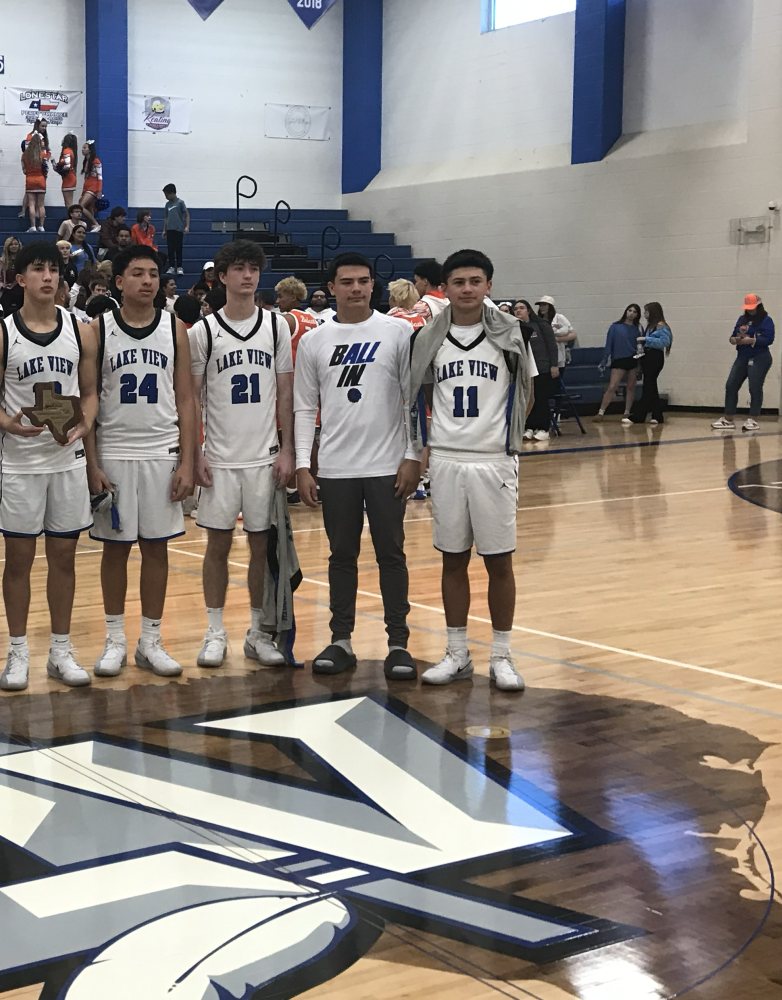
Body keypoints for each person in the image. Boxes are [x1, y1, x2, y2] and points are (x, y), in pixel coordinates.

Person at [406, 249, 534, 693]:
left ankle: (501, 655)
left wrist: (503, 439)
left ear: (489, 286)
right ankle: (457, 653)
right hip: (445, 459)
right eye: (458, 282)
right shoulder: (429, 337)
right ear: (446, 287)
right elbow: (416, 397)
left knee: (499, 561)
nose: (466, 289)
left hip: (493, 460)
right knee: (452, 558)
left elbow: (526, 395)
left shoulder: (511, 334)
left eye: (475, 281)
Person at [0, 240, 99, 690]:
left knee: (65, 558)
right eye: (38, 269)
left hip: (67, 460)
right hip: (22, 465)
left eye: (53, 269)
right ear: (20, 277)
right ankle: (16, 652)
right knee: (19, 561)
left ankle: (61, 651)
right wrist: (8, 422)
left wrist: (84, 425)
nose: (48, 277)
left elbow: (89, 392)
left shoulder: (80, 328)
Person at [294, 253, 420, 678]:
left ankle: (399, 644)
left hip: (388, 464)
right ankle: (340, 640)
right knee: (341, 556)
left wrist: (413, 455)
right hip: (336, 466)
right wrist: (302, 465)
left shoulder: (399, 332)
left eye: (364, 281)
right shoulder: (315, 340)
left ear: (373, 285)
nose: (356, 289)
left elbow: (412, 399)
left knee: (392, 555)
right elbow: (302, 407)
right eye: (346, 282)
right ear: (331, 287)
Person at [84, 244, 196, 679]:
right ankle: (115, 640)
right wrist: (91, 463)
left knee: (156, 546)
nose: (147, 281)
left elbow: (186, 398)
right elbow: (88, 401)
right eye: (137, 273)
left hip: (161, 450)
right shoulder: (98, 328)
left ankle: (150, 641)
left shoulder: (175, 328)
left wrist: (188, 460)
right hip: (114, 450)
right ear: (118, 281)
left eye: (153, 273)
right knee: (115, 549)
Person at [188, 240, 296, 669]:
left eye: (254, 268)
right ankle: (215, 631)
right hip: (218, 456)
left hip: (264, 457)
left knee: (261, 547)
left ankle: (257, 630)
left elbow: (286, 393)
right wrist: (194, 452)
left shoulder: (276, 327)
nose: (247, 275)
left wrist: (287, 449)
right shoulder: (203, 332)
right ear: (223, 276)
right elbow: (192, 400)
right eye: (239, 268)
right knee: (217, 546)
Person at [713, 294, 774, 431]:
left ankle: (753, 419)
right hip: (742, 356)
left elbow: (769, 339)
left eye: (752, 308)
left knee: (754, 387)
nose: (750, 310)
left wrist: (752, 340)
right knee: (731, 384)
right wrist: (734, 339)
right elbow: (734, 334)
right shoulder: (742, 320)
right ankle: (728, 419)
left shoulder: (766, 320)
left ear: (758, 306)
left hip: (759, 357)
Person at [513, 299, 559, 441]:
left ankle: (544, 428)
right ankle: (530, 427)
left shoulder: (540, 325)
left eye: (521, 308)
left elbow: (551, 345)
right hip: (525, 370)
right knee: (527, 399)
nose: (518, 311)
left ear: (528, 310)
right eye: (516, 309)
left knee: (541, 398)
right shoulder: (514, 328)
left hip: (543, 367)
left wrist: (554, 365)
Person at [628, 301, 672, 425]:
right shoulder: (649, 326)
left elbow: (665, 342)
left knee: (649, 386)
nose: (645, 314)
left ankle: (640, 415)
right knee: (650, 387)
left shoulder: (660, 325)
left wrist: (646, 339)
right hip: (647, 356)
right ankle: (657, 415)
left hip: (655, 357)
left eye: (646, 311)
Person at [599, 304, 642, 421]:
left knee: (631, 387)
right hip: (619, 359)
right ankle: (601, 411)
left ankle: (627, 411)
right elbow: (609, 344)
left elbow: (641, 346)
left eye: (634, 312)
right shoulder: (615, 327)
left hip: (633, 359)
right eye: (630, 310)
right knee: (612, 386)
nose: (631, 313)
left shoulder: (638, 328)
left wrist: (640, 365)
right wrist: (604, 359)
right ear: (626, 311)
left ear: (638, 315)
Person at [535, 295, 575, 368]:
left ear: (550, 306)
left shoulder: (559, 318)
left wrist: (555, 339)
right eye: (540, 305)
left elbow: (573, 334)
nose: (541, 307)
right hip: (543, 356)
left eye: (544, 305)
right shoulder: (538, 320)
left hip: (559, 356)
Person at [22, 133, 48, 233]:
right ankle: (41, 226)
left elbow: (24, 170)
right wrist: (43, 176)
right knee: (41, 205)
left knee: (31, 204)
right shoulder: (43, 155)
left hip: (30, 180)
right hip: (41, 180)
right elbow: (46, 169)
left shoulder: (25, 155)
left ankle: (33, 226)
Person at [161, 184, 188, 275]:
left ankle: (179, 267)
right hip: (170, 229)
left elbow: (187, 214)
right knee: (170, 249)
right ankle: (172, 266)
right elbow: (166, 217)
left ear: (172, 193)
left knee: (178, 248)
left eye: (166, 195)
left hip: (178, 229)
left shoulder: (180, 202)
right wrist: (164, 229)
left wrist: (187, 226)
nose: (166, 197)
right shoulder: (167, 204)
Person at [78, 140, 103, 223]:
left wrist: (99, 190)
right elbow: (86, 179)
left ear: (90, 150)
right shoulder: (86, 162)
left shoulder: (96, 161)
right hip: (88, 187)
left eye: (85, 148)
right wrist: (83, 191)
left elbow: (100, 177)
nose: (82, 149)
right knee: (88, 207)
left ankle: (96, 224)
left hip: (93, 187)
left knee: (81, 206)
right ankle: (93, 224)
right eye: (82, 148)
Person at [56, 132, 79, 212]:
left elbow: (67, 166)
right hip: (70, 177)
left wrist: (60, 170)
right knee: (68, 203)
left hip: (68, 178)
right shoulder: (71, 151)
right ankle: (71, 220)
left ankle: (72, 221)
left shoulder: (66, 151)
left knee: (69, 203)